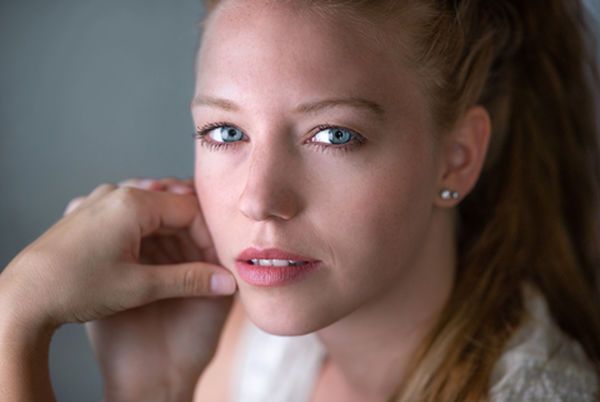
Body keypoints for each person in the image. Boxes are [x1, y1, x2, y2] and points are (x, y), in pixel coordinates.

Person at [1, 0, 599, 401]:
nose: (259, 200)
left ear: (457, 157)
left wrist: (15, 319)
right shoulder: (250, 346)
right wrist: (152, 392)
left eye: (333, 135)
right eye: (226, 132)